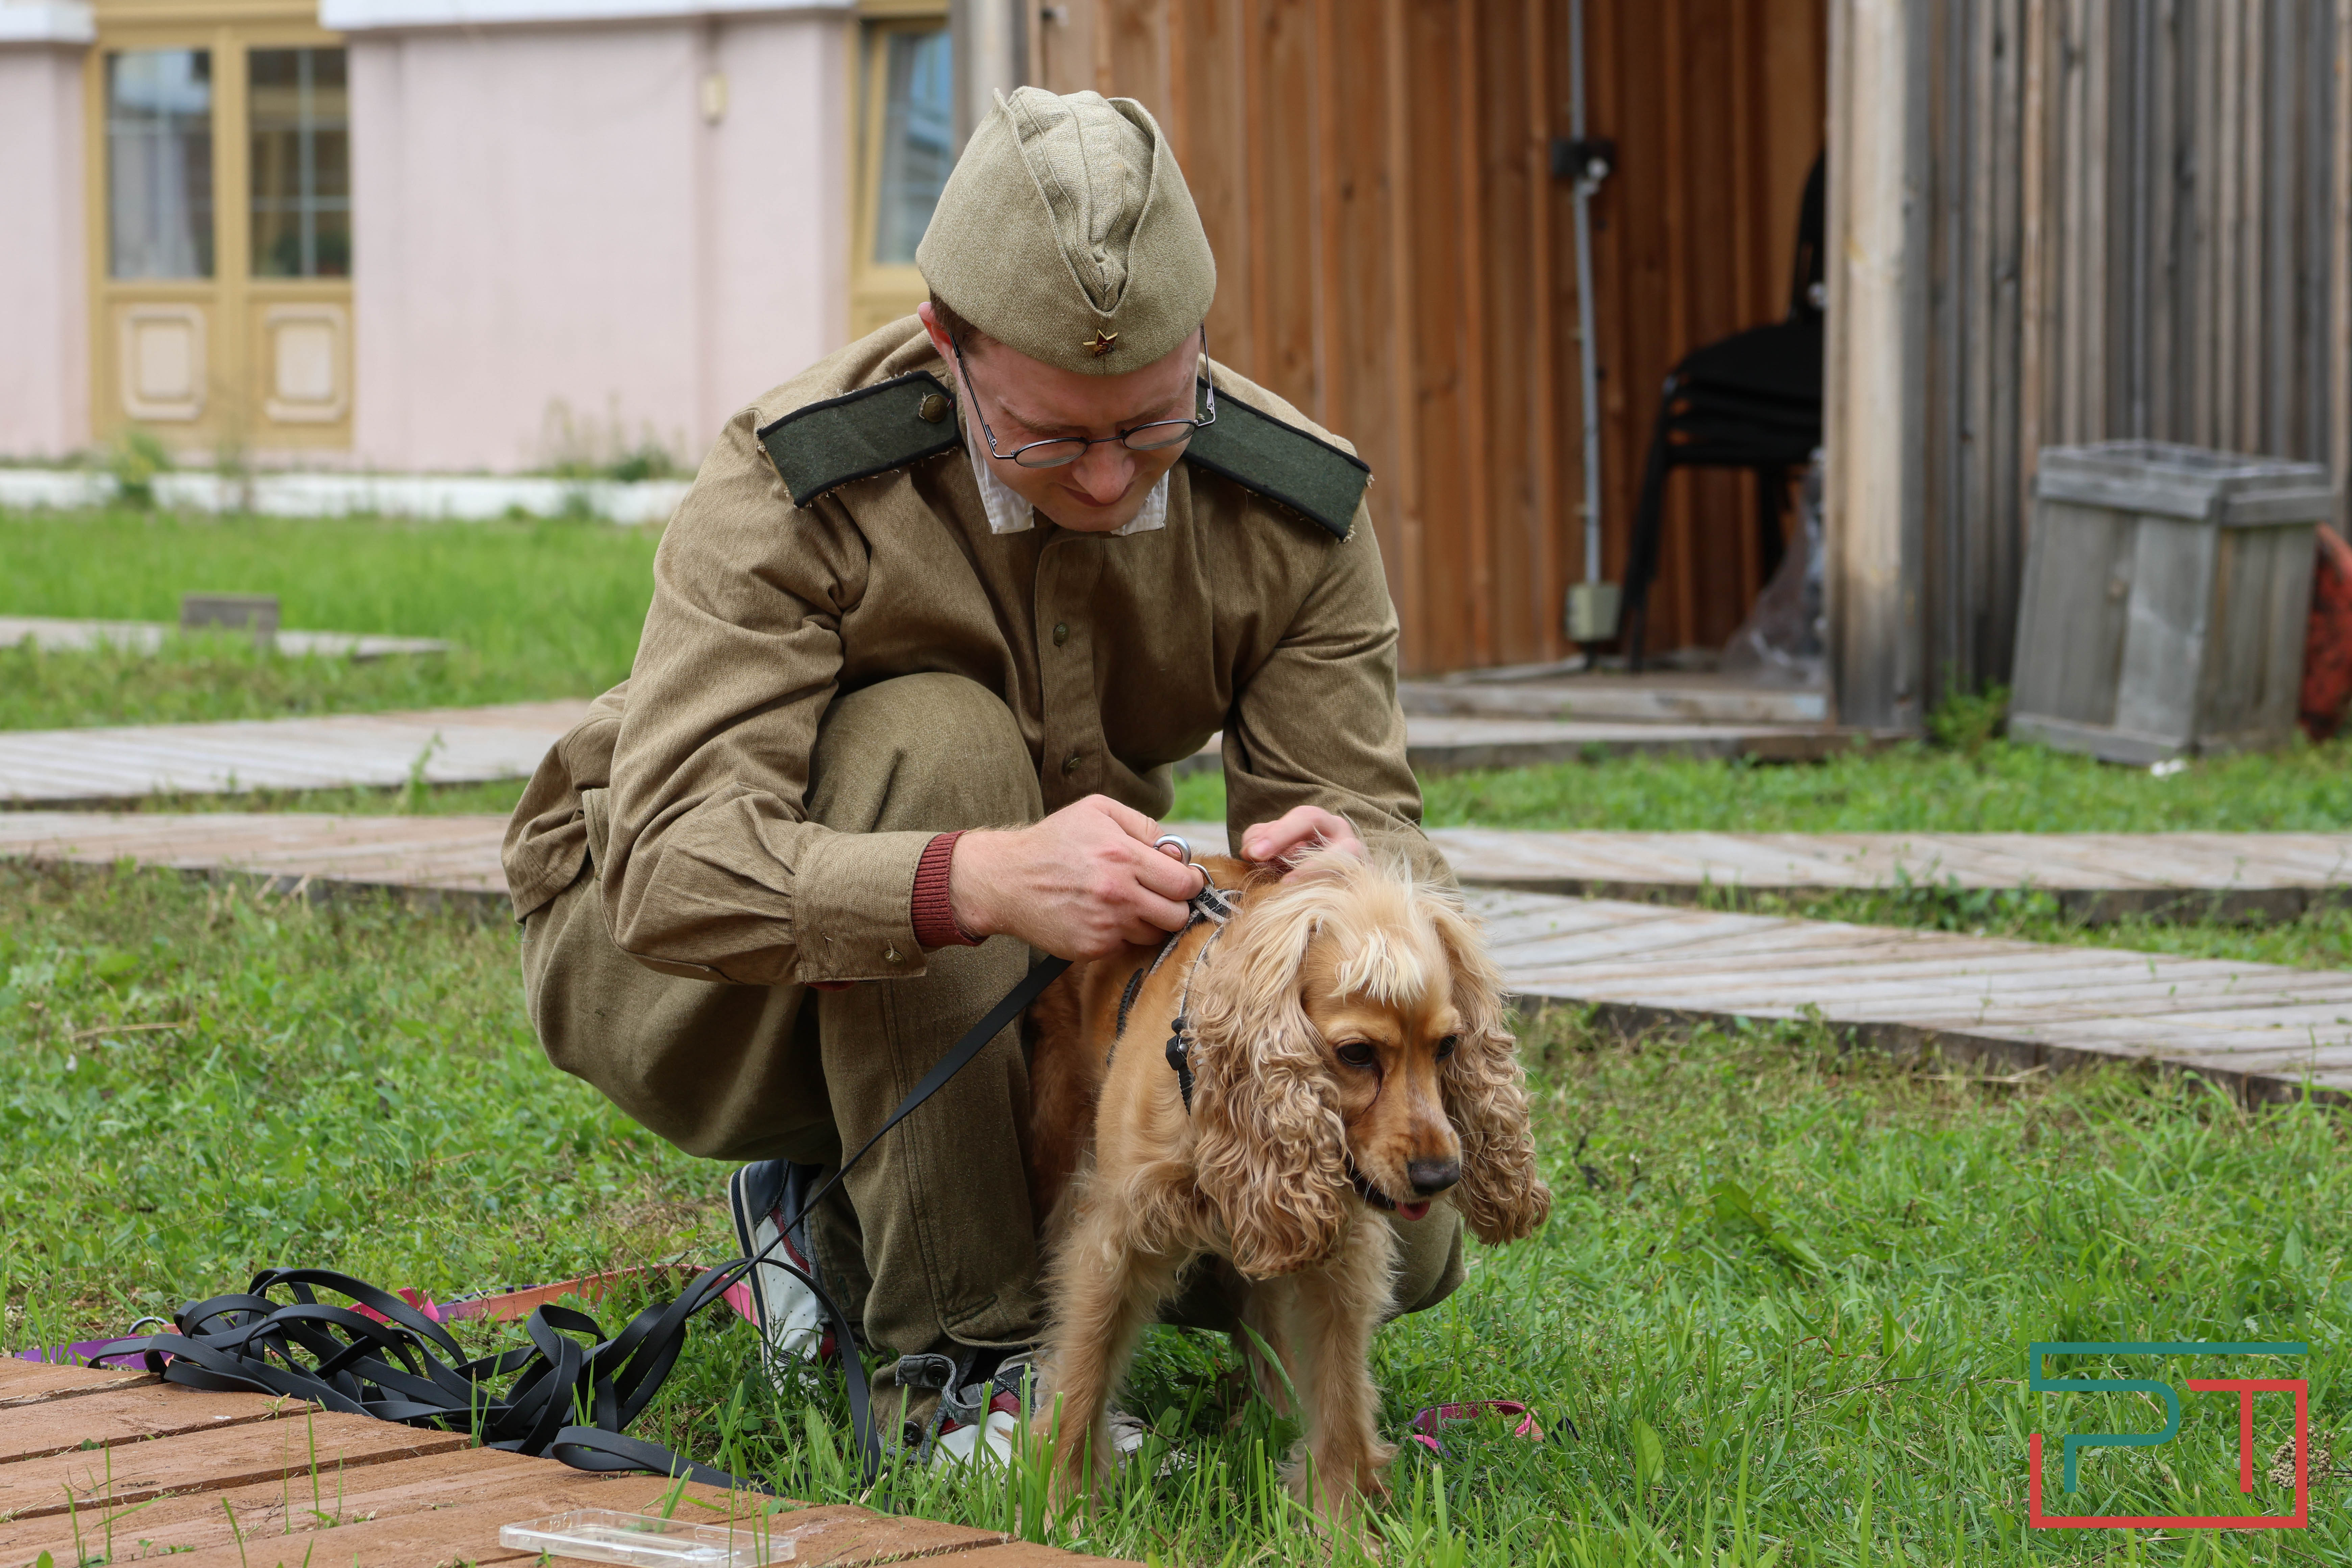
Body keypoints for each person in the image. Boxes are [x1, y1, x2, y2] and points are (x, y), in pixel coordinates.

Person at [501, 86, 1461, 1463]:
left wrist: (1339, 876)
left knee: (1403, 1226)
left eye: (1152, 423)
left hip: (1027, 987)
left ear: (1199, 345)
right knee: (938, 740)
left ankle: (828, 1217)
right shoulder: (797, 480)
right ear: (947, 347)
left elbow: (1372, 832)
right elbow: (673, 867)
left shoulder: (1291, 505)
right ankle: (965, 1365)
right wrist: (979, 880)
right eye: (1051, 437)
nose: (1109, 479)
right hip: (679, 962)